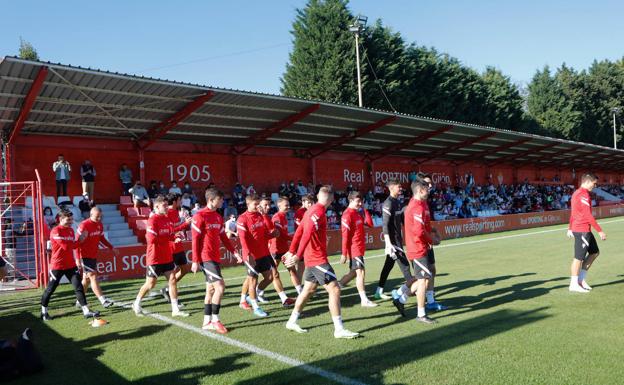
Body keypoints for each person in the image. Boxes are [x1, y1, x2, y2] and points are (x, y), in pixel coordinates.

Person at [283, 187, 359, 339]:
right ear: (331, 200)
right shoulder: (317, 212)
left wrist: (292, 250)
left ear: (318, 196)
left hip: (312, 259)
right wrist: (297, 255)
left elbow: (299, 232)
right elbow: (306, 234)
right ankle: (339, 329)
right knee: (335, 289)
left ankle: (292, 321)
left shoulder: (309, 211)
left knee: (308, 291)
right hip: (317, 259)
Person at [191, 188, 242, 334]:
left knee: (211, 290)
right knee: (220, 287)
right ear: (211, 200)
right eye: (220, 199)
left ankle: (206, 322)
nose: (222, 202)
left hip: (215, 257)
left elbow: (224, 238)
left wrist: (234, 253)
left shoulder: (218, 217)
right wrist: (195, 260)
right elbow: (195, 240)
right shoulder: (199, 216)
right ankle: (215, 319)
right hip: (205, 258)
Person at [132, 196, 189, 317]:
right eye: (164, 205)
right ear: (156, 207)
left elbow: (170, 234)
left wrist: (175, 237)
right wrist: (169, 239)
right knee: (150, 284)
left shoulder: (167, 219)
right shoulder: (153, 220)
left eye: (167, 205)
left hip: (167, 255)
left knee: (172, 280)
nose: (167, 207)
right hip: (155, 257)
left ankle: (175, 309)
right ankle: (136, 302)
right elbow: (151, 239)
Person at [40, 209, 100, 321]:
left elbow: (73, 245)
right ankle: (44, 312)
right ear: (61, 219)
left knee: (79, 287)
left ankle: (86, 311)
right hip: (57, 266)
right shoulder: (55, 231)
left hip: (70, 265)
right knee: (50, 289)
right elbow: (67, 247)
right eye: (68, 220)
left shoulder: (71, 230)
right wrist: (81, 240)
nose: (71, 222)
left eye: (72, 219)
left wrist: (79, 243)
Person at [391, 180, 437, 324]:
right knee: (423, 280)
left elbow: (424, 225)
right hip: (417, 248)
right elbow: (418, 231)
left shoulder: (419, 204)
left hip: (419, 246)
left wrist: (431, 235)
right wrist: (431, 240)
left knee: (424, 277)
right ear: (420, 190)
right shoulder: (416, 207)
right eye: (427, 188)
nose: (429, 189)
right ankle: (421, 314)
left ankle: (401, 298)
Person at [567, 173, 607, 293]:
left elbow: (573, 212)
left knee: (594, 252)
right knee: (578, 258)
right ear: (588, 182)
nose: (595, 186)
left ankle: (580, 280)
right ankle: (573, 284)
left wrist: (569, 228)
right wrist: (600, 231)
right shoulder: (582, 194)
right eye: (594, 183)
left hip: (583, 229)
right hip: (582, 230)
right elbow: (587, 215)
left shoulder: (577, 193)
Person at [338, 191, 377, 308]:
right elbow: (345, 235)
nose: (360, 203)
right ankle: (364, 300)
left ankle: (337, 286)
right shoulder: (347, 215)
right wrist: (344, 253)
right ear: (350, 201)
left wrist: (365, 209)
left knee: (354, 273)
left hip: (359, 248)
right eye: (358, 201)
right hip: (354, 249)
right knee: (361, 272)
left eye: (361, 201)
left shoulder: (357, 213)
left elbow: (370, 225)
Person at [236, 194, 273, 317]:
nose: (258, 206)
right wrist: (247, 254)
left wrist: (273, 234)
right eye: (255, 204)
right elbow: (242, 239)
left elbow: (267, 231)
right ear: (248, 204)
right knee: (252, 280)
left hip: (263, 253)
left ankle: (250, 297)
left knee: (270, 278)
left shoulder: (260, 215)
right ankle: (256, 307)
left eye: (259, 204)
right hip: (251, 255)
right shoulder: (242, 219)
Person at [374, 179, 411, 300]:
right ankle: (412, 290)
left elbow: (401, 221)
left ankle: (379, 291)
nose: (401, 189)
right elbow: (385, 225)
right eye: (398, 187)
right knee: (405, 267)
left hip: (397, 240)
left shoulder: (397, 202)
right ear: (391, 188)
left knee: (388, 266)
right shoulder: (388, 203)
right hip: (393, 243)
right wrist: (388, 244)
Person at [256, 197, 295, 307]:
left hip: (266, 251)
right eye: (265, 205)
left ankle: (283, 299)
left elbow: (272, 230)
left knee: (273, 275)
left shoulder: (266, 217)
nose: (267, 207)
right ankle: (245, 299)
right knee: (252, 278)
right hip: (260, 251)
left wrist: (264, 216)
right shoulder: (249, 217)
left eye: (268, 205)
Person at [76, 207, 117, 308]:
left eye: (100, 216)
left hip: (93, 255)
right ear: (91, 214)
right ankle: (103, 300)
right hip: (84, 256)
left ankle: (79, 300)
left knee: (86, 280)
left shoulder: (99, 225)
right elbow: (77, 243)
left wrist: (111, 247)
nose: (99, 218)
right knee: (93, 276)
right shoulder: (84, 225)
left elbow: (101, 238)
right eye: (97, 216)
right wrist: (77, 259)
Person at [418, 173, 447, 311]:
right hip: (421, 244)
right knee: (424, 276)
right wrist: (430, 238)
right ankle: (401, 294)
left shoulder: (425, 202)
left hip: (427, 241)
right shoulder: (418, 203)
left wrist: (433, 230)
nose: (430, 186)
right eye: (427, 184)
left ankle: (430, 298)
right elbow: (418, 227)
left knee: (432, 270)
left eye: (430, 184)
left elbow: (426, 224)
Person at [159, 194, 192, 303]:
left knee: (185, 269)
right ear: (174, 201)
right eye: (179, 200)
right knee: (171, 275)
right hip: (171, 247)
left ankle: (167, 289)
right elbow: (171, 230)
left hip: (178, 246)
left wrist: (185, 223)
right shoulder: (167, 213)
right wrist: (185, 224)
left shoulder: (176, 212)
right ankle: (174, 299)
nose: (181, 202)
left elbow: (177, 228)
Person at [271, 197, 303, 295]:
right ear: (279, 206)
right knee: (272, 274)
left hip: (284, 250)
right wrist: (295, 239)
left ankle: (300, 291)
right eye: (286, 205)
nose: (288, 207)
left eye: (288, 205)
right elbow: (281, 235)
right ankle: (258, 292)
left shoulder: (284, 217)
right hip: (275, 250)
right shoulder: (276, 218)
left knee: (292, 270)